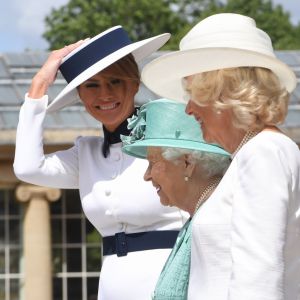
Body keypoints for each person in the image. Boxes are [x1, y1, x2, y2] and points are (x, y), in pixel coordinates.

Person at [13, 26, 188, 300]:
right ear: (80, 96)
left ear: (134, 82)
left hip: (172, 279)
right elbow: (27, 168)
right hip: (111, 286)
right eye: (92, 85)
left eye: (115, 81)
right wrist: (38, 86)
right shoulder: (86, 153)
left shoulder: (172, 139)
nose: (104, 94)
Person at [140, 13, 300, 300]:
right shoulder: (252, 152)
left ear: (222, 91)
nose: (187, 109)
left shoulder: (265, 151)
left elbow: (258, 279)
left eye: (192, 92)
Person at [122, 98, 231, 299]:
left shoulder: (215, 221)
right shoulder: (202, 215)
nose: (147, 176)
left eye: (153, 163)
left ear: (187, 163)